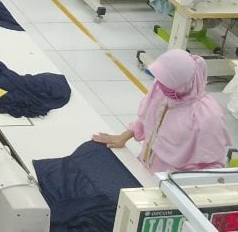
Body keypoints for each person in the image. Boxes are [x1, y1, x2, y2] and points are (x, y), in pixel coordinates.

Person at [92, 50, 230, 172]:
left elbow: (213, 167)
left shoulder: (207, 116)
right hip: (146, 168)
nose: (159, 84)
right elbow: (147, 118)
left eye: (166, 81)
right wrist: (124, 136)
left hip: (173, 183)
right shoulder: (163, 91)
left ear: (184, 84)